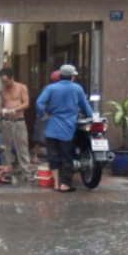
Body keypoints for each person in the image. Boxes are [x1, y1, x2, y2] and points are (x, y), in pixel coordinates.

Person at [35, 64, 92, 192]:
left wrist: (43, 114)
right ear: (72, 77)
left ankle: (55, 183)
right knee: (67, 157)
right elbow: (85, 105)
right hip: (68, 128)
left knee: (53, 156)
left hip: (52, 127)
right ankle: (65, 184)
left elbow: (39, 103)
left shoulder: (51, 88)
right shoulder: (77, 88)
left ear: (60, 76)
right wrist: (91, 117)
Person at [0, 68, 32, 173]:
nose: (4, 83)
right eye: (2, 81)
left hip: (18, 121)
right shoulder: (2, 91)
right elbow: (1, 105)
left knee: (22, 146)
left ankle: (26, 171)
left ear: (11, 78)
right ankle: (6, 170)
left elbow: (26, 103)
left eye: (6, 81)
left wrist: (14, 109)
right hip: (6, 121)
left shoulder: (21, 87)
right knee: (5, 148)